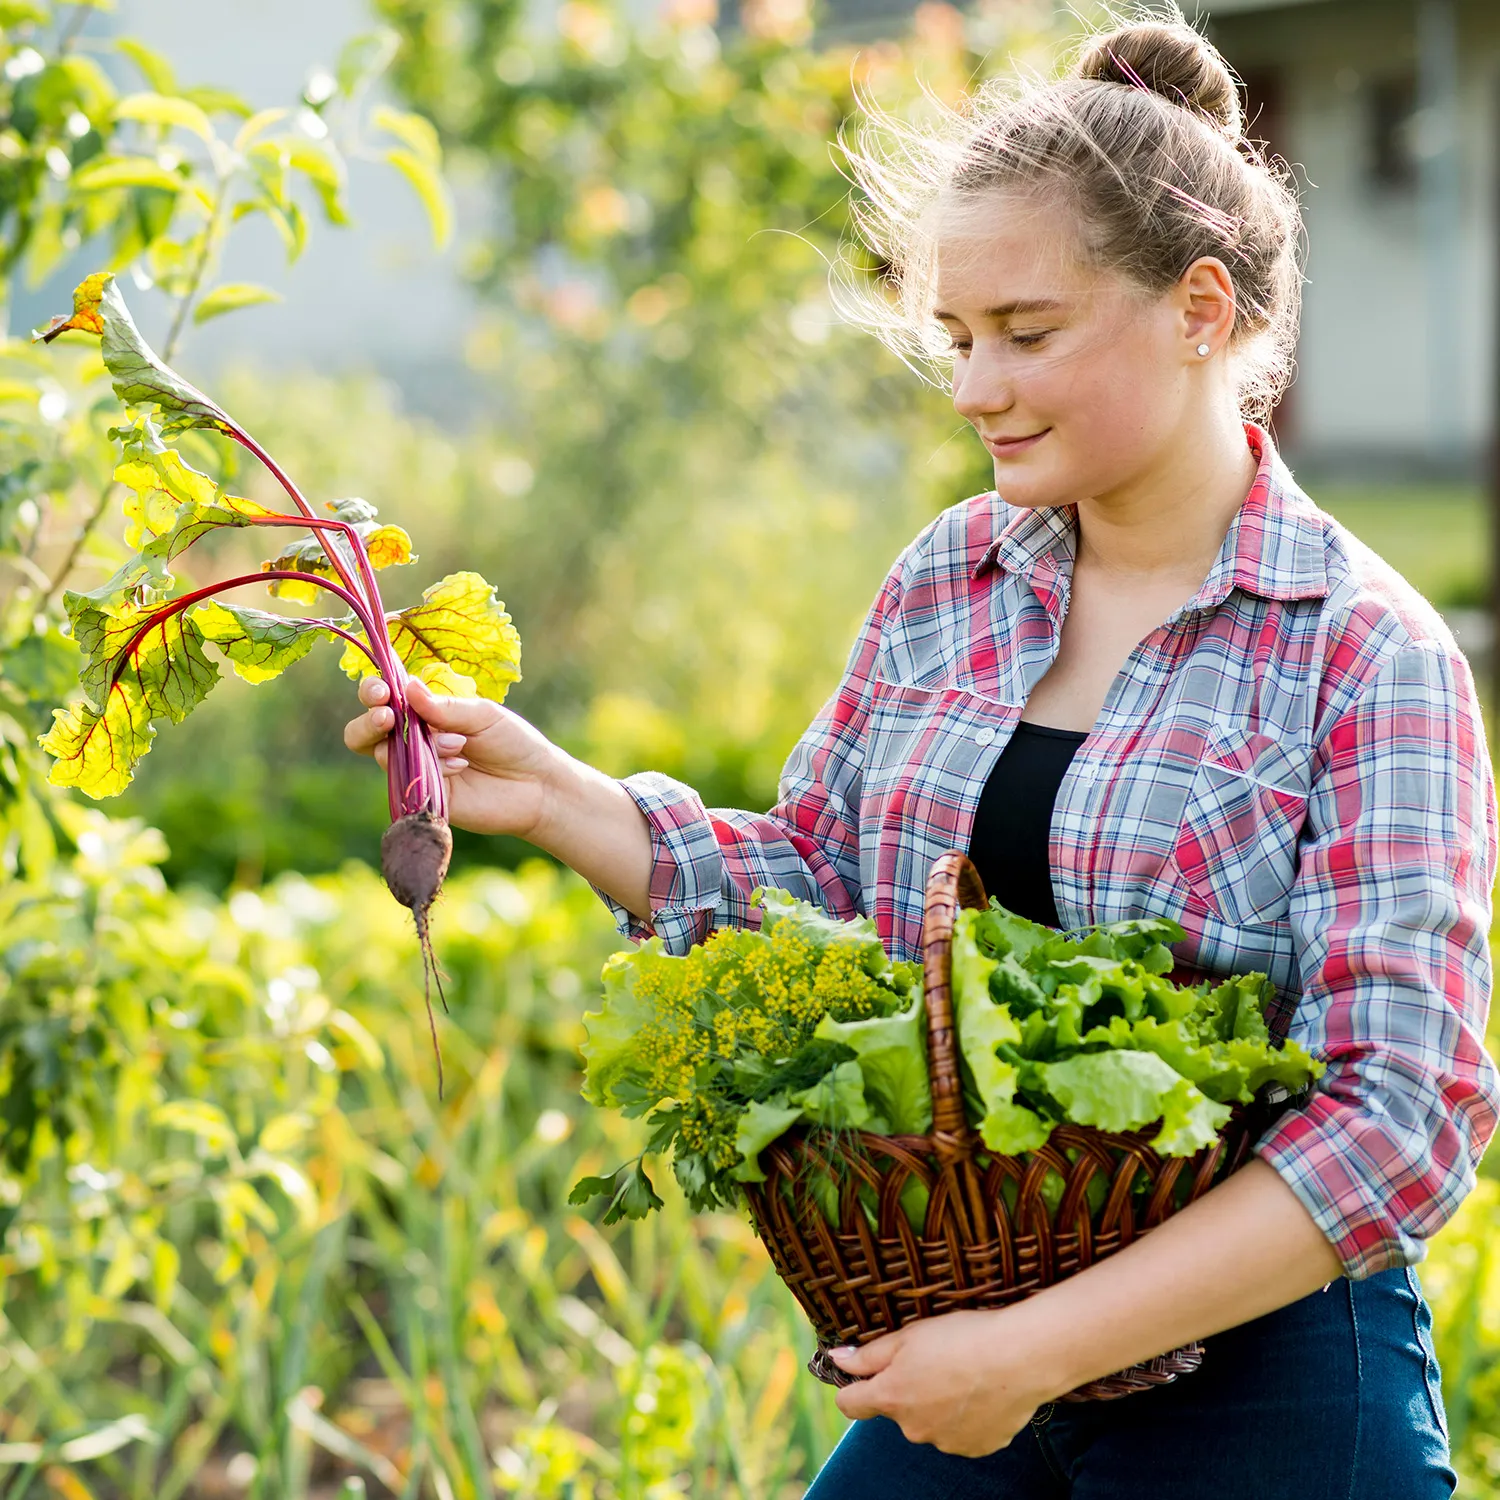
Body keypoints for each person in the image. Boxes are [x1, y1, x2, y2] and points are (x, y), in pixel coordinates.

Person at [344, 8, 1497, 1495]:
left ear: (1201, 310)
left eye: (1026, 333)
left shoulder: (1361, 650)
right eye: (957, 337)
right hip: (961, 1341)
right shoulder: (953, 578)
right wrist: (557, 795)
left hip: (1261, 1376)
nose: (971, 388)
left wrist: (1037, 1352)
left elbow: (1401, 1114)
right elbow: (829, 891)